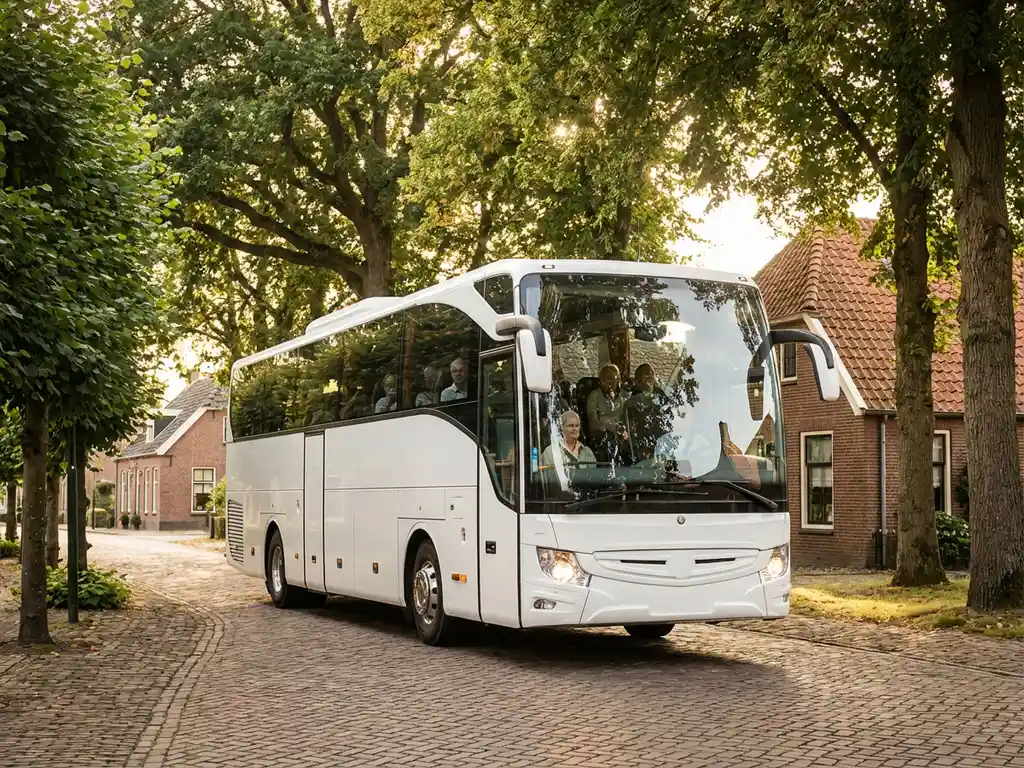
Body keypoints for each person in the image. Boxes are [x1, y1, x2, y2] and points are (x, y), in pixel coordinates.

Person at [586, 363, 628, 460]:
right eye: (604, 380)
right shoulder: (595, 396)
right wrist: (606, 427)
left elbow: (630, 420)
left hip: (623, 436)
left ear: (618, 380)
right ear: (600, 381)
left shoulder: (625, 397)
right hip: (602, 437)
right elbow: (593, 421)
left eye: (611, 379)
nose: (607, 383)